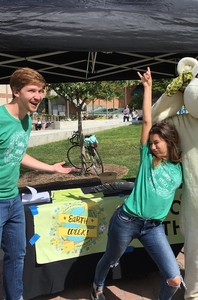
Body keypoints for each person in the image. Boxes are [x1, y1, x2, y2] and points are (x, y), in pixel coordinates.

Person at [91, 67, 184, 300]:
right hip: (126, 220)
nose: (153, 146)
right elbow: (147, 122)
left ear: (170, 142)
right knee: (110, 259)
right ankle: (97, 287)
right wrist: (147, 87)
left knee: (174, 279)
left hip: (153, 228)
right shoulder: (147, 158)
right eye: (151, 143)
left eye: (157, 142)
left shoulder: (180, 168)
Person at [0, 67, 74, 300]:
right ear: (15, 92)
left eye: (40, 91)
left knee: (17, 254)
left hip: (12, 198)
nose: (38, 96)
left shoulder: (27, 120)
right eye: (31, 90)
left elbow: (18, 153)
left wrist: (51, 168)